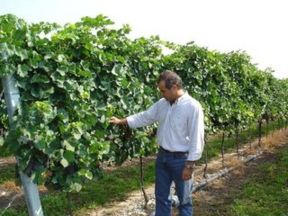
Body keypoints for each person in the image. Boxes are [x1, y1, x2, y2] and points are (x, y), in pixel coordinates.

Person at [110, 70, 204, 216]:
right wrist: (123, 121)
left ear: (174, 87)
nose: (162, 94)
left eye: (163, 90)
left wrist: (190, 165)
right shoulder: (163, 103)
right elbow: (146, 117)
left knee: (184, 200)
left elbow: (196, 137)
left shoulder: (192, 106)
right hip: (163, 157)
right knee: (161, 198)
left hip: (182, 160)